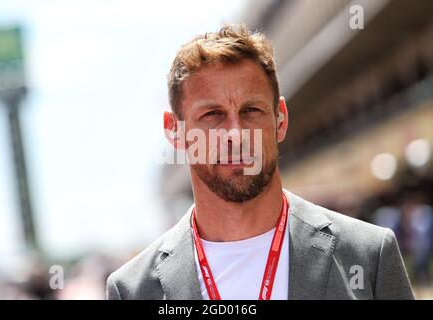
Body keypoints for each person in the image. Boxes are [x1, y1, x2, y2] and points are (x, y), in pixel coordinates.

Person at [106, 24, 414, 300]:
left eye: (251, 110)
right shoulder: (132, 289)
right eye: (212, 115)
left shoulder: (369, 255)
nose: (236, 135)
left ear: (280, 119)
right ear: (175, 131)